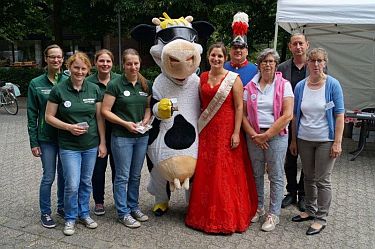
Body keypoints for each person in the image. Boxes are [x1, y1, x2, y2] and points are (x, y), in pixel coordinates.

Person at [185, 42, 258, 234]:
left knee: (224, 172)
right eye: (213, 55)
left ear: (225, 58)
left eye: (219, 56)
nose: (216, 59)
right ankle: (202, 215)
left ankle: (226, 217)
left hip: (227, 130)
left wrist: (236, 132)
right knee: (207, 170)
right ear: (208, 57)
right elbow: (200, 103)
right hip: (207, 130)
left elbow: (239, 107)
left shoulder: (233, 79)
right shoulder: (202, 77)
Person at [45, 52, 107, 236]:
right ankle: (70, 218)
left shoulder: (94, 89)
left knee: (86, 182)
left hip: (90, 144)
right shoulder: (59, 90)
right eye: (76, 67)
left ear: (88, 70)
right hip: (69, 145)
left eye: (83, 68)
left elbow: (99, 118)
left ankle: (84, 214)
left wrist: (102, 143)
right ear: (69, 68)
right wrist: (68, 127)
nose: (79, 71)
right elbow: (48, 117)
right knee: (72, 183)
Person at [290, 48, 344, 235]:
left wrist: (337, 142)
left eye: (320, 61)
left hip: (325, 141)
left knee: (322, 180)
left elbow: (339, 115)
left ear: (325, 63)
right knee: (308, 177)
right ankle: (310, 210)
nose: (316, 64)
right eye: (312, 61)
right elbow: (296, 116)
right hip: (304, 139)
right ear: (307, 63)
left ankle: (321, 217)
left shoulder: (333, 85)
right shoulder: (300, 87)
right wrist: (294, 141)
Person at [242, 48, 294, 232]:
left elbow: (287, 115)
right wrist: (254, 136)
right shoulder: (250, 86)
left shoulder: (284, 85)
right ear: (259, 65)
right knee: (256, 173)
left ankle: (273, 214)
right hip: (254, 136)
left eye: (271, 61)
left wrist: (267, 135)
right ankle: (258, 207)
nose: (267, 64)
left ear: (276, 64)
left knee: (276, 176)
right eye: (264, 61)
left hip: (276, 137)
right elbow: (243, 114)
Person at [101, 48, 152, 229]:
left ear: (140, 64)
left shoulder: (146, 84)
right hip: (122, 137)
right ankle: (123, 213)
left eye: (136, 63)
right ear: (123, 65)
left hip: (141, 136)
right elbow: (105, 111)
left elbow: (148, 107)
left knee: (136, 175)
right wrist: (125, 123)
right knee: (122, 176)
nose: (133, 67)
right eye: (129, 64)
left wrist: (145, 120)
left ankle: (133, 206)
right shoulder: (115, 85)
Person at [27, 44, 67, 228]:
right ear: (46, 59)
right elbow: (32, 115)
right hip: (46, 139)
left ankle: (62, 207)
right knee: (49, 176)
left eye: (59, 57)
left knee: (64, 176)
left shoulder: (68, 79)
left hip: (67, 137)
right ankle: (45, 212)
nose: (56, 60)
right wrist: (33, 142)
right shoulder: (36, 83)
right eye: (52, 57)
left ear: (63, 59)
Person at [86, 49, 120, 216]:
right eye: (101, 61)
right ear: (95, 63)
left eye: (108, 61)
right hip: (96, 133)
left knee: (118, 168)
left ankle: (118, 199)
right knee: (98, 169)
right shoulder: (88, 83)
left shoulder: (120, 80)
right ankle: (98, 201)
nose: (105, 64)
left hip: (118, 132)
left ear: (112, 63)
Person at [278, 33, 309, 211]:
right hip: (287, 120)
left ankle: (303, 194)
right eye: (295, 44)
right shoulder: (282, 68)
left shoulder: (315, 66)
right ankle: (291, 192)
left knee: (306, 159)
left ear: (307, 45)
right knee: (289, 159)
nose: (298, 47)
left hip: (307, 121)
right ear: (290, 47)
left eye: (301, 43)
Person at [224, 12, 257, 86]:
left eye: (241, 47)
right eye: (235, 47)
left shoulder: (255, 70)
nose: (238, 50)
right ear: (230, 51)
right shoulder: (223, 67)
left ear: (247, 51)